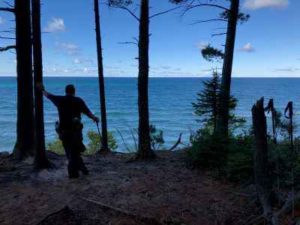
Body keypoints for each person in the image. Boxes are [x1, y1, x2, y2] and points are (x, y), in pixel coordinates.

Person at [39, 83, 99, 178]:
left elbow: (49, 96)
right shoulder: (78, 101)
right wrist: (94, 118)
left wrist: (42, 90)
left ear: (66, 91)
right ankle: (79, 170)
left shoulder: (60, 100)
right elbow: (87, 112)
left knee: (70, 153)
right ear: (74, 91)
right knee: (74, 152)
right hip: (76, 131)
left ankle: (75, 173)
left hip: (64, 132)